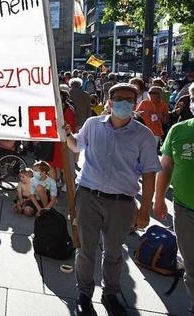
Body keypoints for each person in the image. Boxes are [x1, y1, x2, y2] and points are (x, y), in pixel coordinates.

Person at [65, 83, 161, 316]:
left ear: (136, 104)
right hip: (88, 196)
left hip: (122, 202)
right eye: (119, 98)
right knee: (86, 249)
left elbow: (150, 173)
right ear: (109, 101)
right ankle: (84, 294)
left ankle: (111, 294)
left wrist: (144, 209)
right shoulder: (92, 125)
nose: (124, 103)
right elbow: (77, 144)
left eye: (130, 99)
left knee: (114, 251)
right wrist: (66, 134)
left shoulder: (143, 135)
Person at [154, 83, 194, 314]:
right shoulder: (178, 130)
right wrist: (159, 199)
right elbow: (166, 168)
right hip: (184, 209)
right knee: (191, 266)